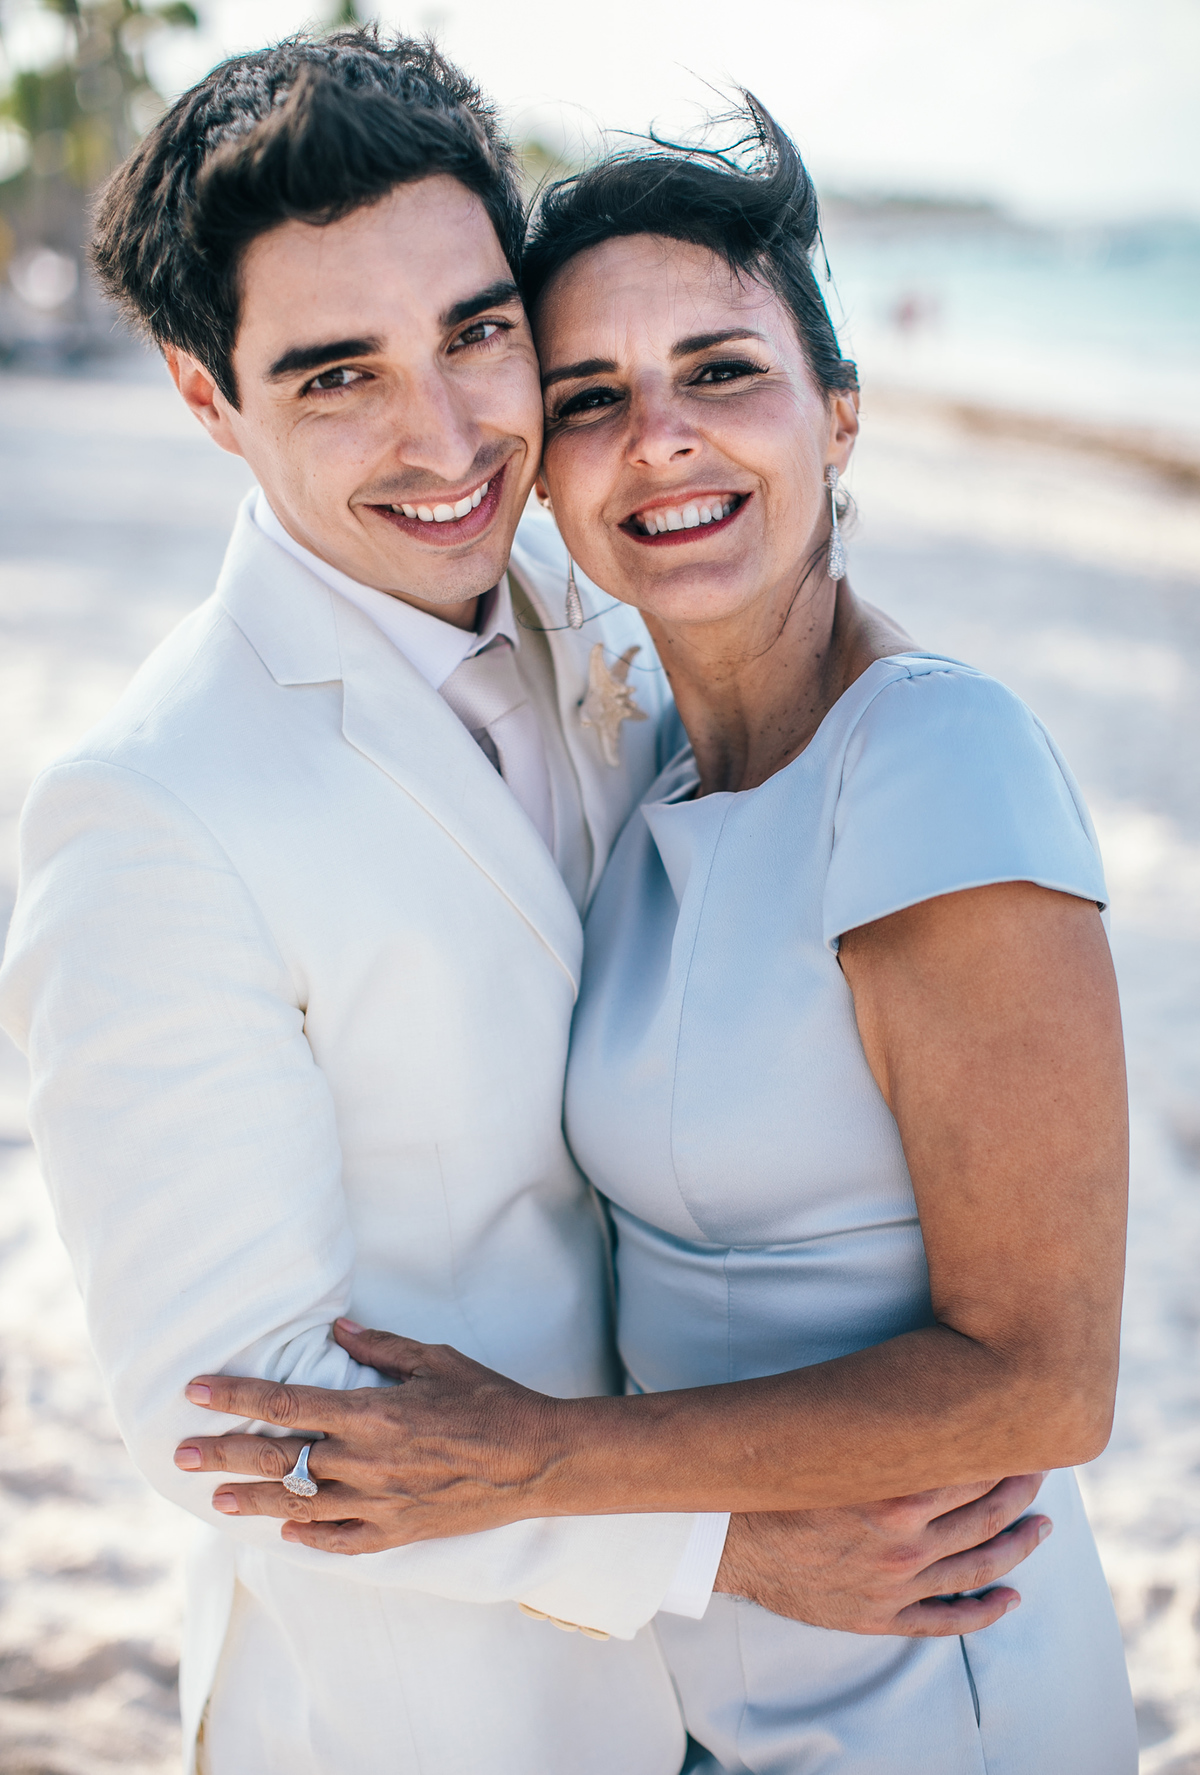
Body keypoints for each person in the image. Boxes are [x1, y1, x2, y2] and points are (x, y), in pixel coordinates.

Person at [0, 37, 1051, 1775]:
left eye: (479, 334)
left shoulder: (599, 593)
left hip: (772, 1699)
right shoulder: (152, 812)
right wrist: (716, 1540)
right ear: (205, 395)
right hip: (438, 1713)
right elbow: (236, 1416)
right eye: (337, 376)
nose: (447, 439)